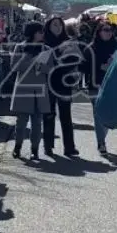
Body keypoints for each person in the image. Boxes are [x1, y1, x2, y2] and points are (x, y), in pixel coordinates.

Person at [8, 21, 53, 160]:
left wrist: (41, 67)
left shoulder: (46, 49)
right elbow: (14, 66)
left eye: (43, 32)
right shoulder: (20, 47)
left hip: (39, 89)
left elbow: (51, 67)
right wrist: (32, 62)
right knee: (21, 122)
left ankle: (35, 149)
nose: (42, 34)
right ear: (33, 33)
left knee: (37, 123)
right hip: (23, 89)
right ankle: (18, 147)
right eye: (40, 32)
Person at [42, 17, 80, 157]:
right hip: (48, 82)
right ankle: (48, 146)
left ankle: (69, 147)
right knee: (48, 115)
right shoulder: (43, 41)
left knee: (66, 116)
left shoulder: (69, 41)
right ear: (49, 26)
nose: (58, 27)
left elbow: (76, 59)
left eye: (60, 25)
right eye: (55, 24)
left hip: (64, 82)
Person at [88, 21, 117, 155]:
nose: (108, 33)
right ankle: (101, 142)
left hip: (112, 85)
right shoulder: (91, 48)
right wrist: (100, 66)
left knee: (108, 115)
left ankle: (102, 138)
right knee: (98, 114)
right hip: (95, 84)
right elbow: (84, 66)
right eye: (105, 30)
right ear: (99, 32)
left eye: (110, 30)